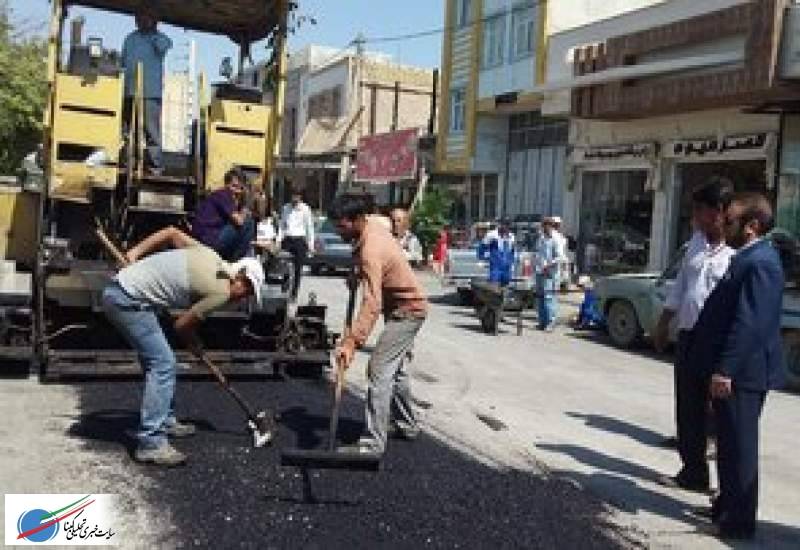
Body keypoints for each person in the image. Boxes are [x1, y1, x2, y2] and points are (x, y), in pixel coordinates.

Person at [101, 227, 265, 466]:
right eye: (247, 290)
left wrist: (135, 252)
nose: (243, 297)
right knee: (163, 363)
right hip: (127, 301)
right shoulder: (220, 291)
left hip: (124, 293)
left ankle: (164, 420)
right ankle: (151, 443)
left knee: (158, 360)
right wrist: (195, 344)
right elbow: (182, 326)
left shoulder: (211, 256)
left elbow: (171, 233)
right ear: (240, 277)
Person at [691, 193, 786, 539]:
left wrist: (725, 369)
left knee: (740, 447)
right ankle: (726, 504)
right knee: (728, 445)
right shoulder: (747, 257)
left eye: (730, 221)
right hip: (733, 370)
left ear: (752, 226)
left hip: (744, 373)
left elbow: (751, 323)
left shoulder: (761, 262)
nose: (722, 224)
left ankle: (739, 522)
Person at [330, 194, 428, 455]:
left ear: (356, 221)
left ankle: (373, 443)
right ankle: (407, 425)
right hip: (401, 305)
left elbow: (371, 303)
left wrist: (351, 343)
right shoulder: (372, 225)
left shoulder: (372, 251)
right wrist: (356, 272)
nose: (338, 231)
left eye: (341, 226)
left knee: (379, 369)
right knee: (397, 371)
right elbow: (365, 247)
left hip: (407, 312)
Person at [654, 179, 735, 492]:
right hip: (689, 337)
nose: (694, 217)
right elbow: (681, 287)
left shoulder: (736, 251)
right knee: (688, 408)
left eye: (699, 210)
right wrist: (664, 322)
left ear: (717, 212)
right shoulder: (695, 244)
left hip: (719, 343)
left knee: (719, 412)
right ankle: (693, 472)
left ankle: (727, 489)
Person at [121, 5, 172, 174]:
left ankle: (155, 166)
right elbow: (123, 62)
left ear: (155, 21)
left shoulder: (160, 38)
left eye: (146, 17)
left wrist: (152, 32)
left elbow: (165, 47)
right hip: (129, 91)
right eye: (139, 17)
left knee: (151, 130)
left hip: (150, 92)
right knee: (129, 129)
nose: (141, 20)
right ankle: (130, 162)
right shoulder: (130, 39)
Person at [191, 168, 255, 261]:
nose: (237, 191)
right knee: (248, 223)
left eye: (240, 188)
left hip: (208, 237)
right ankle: (234, 261)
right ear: (226, 184)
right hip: (208, 238)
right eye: (234, 186)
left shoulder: (225, 197)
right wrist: (247, 204)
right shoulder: (223, 194)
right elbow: (240, 221)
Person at [279, 190, 315, 301]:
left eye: (297, 196)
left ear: (300, 197)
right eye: (293, 196)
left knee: (298, 269)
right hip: (288, 239)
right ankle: (284, 290)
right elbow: (282, 225)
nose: (294, 198)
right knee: (283, 265)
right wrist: (278, 239)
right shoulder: (286, 208)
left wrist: (311, 245)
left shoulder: (305, 209)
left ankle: (294, 294)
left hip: (300, 240)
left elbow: (309, 227)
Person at [535, 218, 559, 331]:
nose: (545, 227)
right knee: (540, 297)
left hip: (549, 272)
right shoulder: (541, 238)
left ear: (551, 226)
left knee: (549, 298)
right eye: (544, 225)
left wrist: (549, 265)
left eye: (548, 225)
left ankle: (551, 322)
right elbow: (538, 254)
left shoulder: (556, 239)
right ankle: (542, 321)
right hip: (539, 271)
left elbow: (560, 257)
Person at [478, 219, 515, 287]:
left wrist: (512, 263)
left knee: (506, 286)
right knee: (494, 285)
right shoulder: (492, 235)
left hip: (506, 266)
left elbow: (512, 251)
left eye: (507, 226)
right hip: (496, 266)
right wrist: (482, 259)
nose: (505, 227)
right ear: (500, 225)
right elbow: (482, 247)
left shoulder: (511, 236)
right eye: (504, 225)